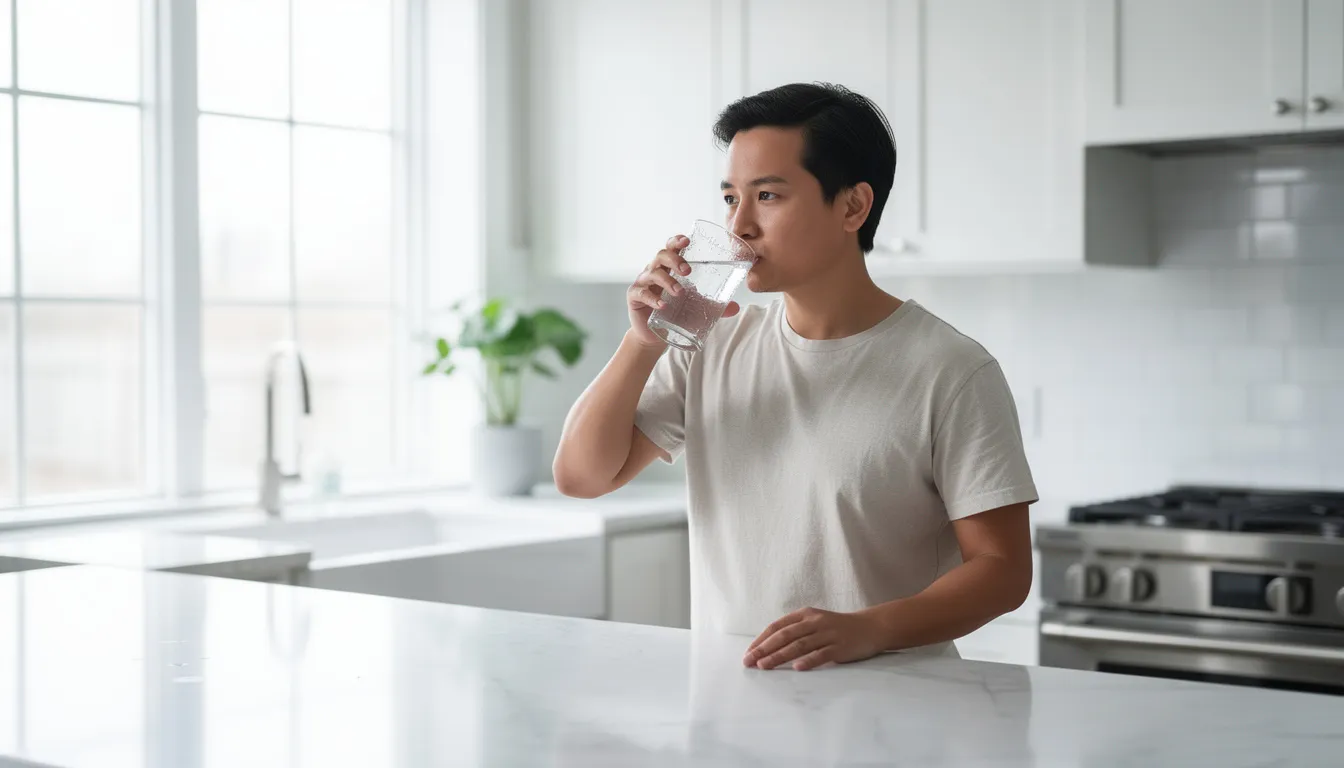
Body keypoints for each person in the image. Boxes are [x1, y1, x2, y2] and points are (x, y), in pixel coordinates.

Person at [552, 82, 1037, 671]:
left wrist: (871, 628)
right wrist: (641, 343)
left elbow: (1003, 571)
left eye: (769, 196)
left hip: (895, 714)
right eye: (731, 198)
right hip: (734, 707)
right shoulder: (708, 343)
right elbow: (581, 476)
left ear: (854, 206)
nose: (741, 225)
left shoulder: (951, 370)